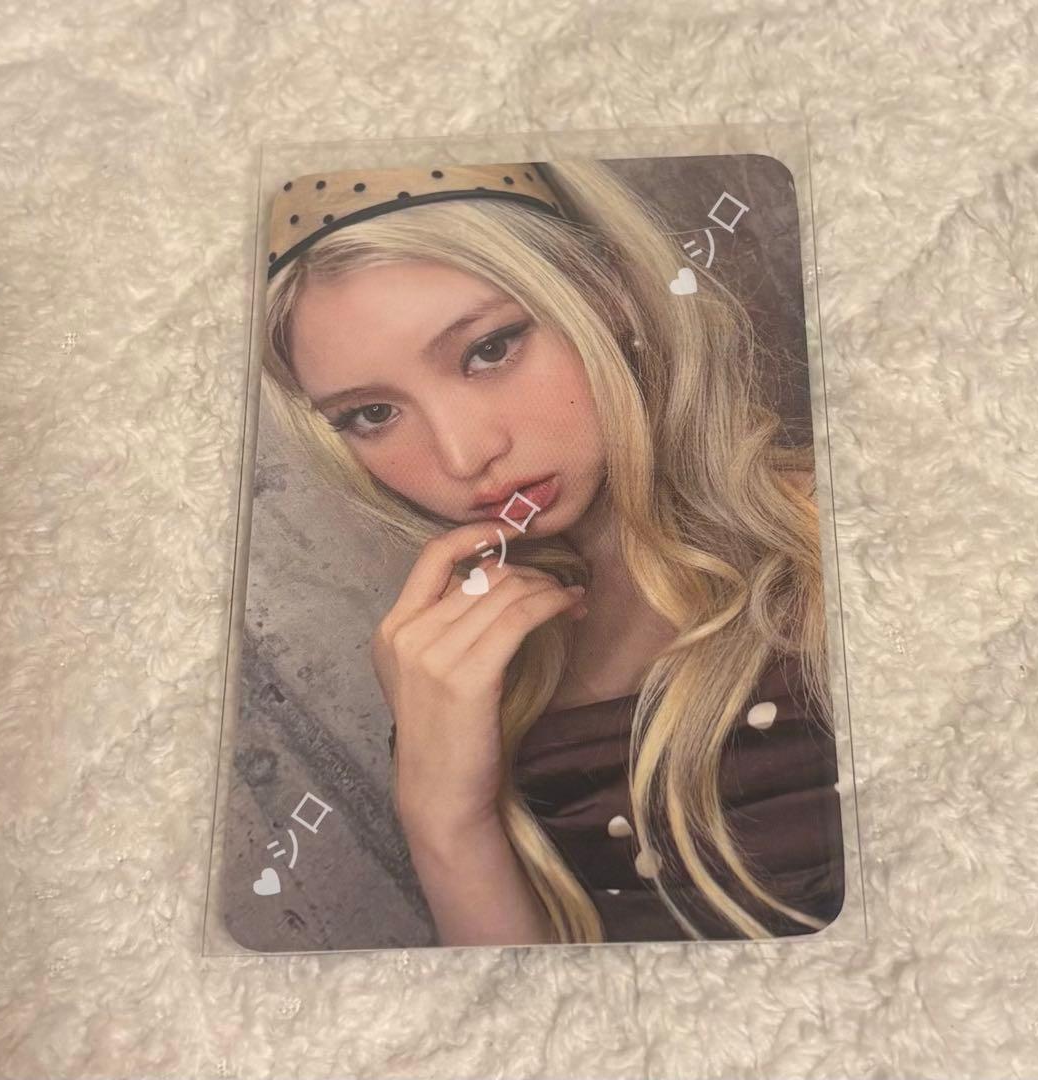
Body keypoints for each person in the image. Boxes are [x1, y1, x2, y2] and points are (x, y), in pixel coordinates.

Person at [259, 159, 845, 945]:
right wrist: (444, 822)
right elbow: (522, 1010)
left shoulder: (849, 540)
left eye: (490, 348)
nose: (464, 455)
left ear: (609, 293)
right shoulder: (459, 675)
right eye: (371, 414)